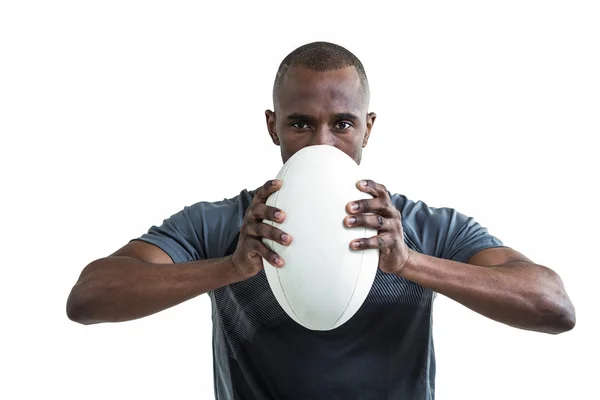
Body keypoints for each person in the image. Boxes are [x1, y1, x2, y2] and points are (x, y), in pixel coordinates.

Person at [66, 41, 576, 400]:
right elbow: (89, 297)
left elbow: (553, 306)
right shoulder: (226, 225)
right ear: (273, 126)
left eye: (344, 124)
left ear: (368, 128)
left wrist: (411, 262)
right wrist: (229, 268)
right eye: (300, 123)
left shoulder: (421, 227)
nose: (322, 143)